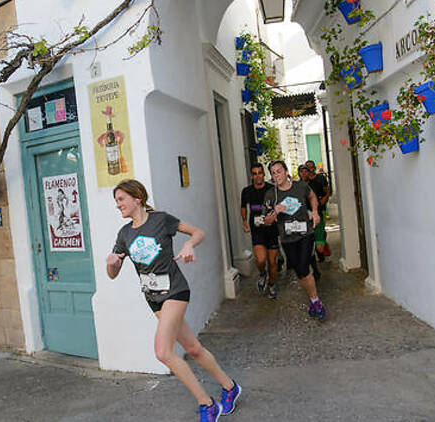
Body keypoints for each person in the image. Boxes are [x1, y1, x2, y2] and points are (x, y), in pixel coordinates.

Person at [107, 179, 241, 421]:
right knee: (192, 348)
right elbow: (113, 274)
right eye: (116, 201)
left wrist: (189, 245)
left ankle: (207, 404)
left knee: (162, 352)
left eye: (121, 199)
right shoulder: (124, 234)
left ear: (137, 198)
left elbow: (198, 232)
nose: (118, 205)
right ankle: (230, 387)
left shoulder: (161, 220)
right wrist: (112, 264)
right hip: (153, 298)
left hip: (175, 292)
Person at [263, 161, 327, 321]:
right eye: (273, 173)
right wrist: (274, 212)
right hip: (287, 238)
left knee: (304, 267)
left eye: (278, 171)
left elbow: (312, 196)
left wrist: (315, 212)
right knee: (300, 272)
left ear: (286, 172)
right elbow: (266, 221)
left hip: (305, 234)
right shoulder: (271, 195)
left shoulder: (300, 187)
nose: (276, 175)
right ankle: (313, 300)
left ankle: (316, 301)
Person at [240, 163, 280, 299]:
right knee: (261, 259)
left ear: (264, 175)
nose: (258, 176)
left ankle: (272, 284)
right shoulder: (247, 191)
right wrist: (245, 221)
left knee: (272, 262)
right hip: (257, 230)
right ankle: (262, 273)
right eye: (255, 173)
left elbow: (279, 206)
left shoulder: (272, 189)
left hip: (272, 230)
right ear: (252, 176)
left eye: (260, 173)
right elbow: (243, 207)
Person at [305, 160, 332, 261]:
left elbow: (327, 192)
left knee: (320, 228)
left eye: (311, 167)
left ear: (314, 168)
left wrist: (320, 203)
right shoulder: (304, 182)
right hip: (308, 213)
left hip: (321, 210)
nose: (310, 169)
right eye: (307, 167)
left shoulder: (321, 178)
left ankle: (321, 245)